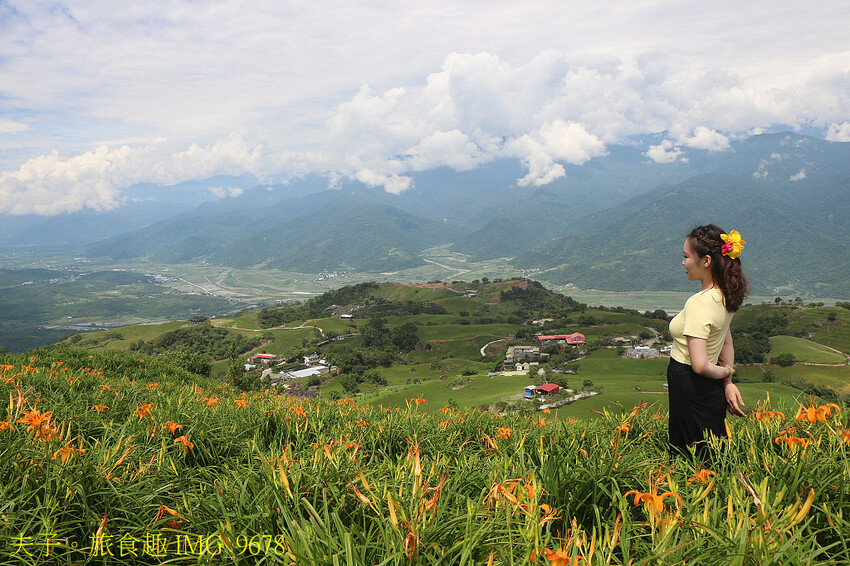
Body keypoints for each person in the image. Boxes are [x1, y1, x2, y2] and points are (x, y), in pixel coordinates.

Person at [667, 224, 748, 459]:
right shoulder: (725, 295)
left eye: (686, 256)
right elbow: (726, 342)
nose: (683, 263)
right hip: (709, 389)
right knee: (711, 454)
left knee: (687, 457)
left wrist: (725, 373)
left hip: (690, 384)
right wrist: (727, 380)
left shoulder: (698, 302)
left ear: (706, 261)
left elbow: (700, 365)